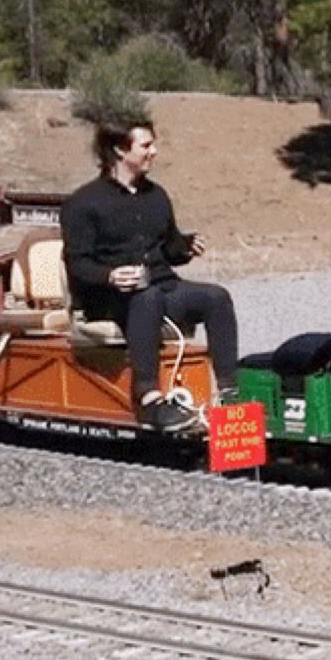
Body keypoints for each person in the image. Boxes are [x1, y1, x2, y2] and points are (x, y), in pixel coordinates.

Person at [61, 117, 239, 433]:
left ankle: (229, 391)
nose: (153, 152)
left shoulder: (156, 196)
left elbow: (168, 249)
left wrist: (185, 246)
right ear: (119, 150)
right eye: (146, 145)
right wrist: (112, 276)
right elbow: (78, 264)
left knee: (216, 297)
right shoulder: (83, 202)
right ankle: (149, 398)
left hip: (161, 287)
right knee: (147, 297)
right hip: (109, 299)